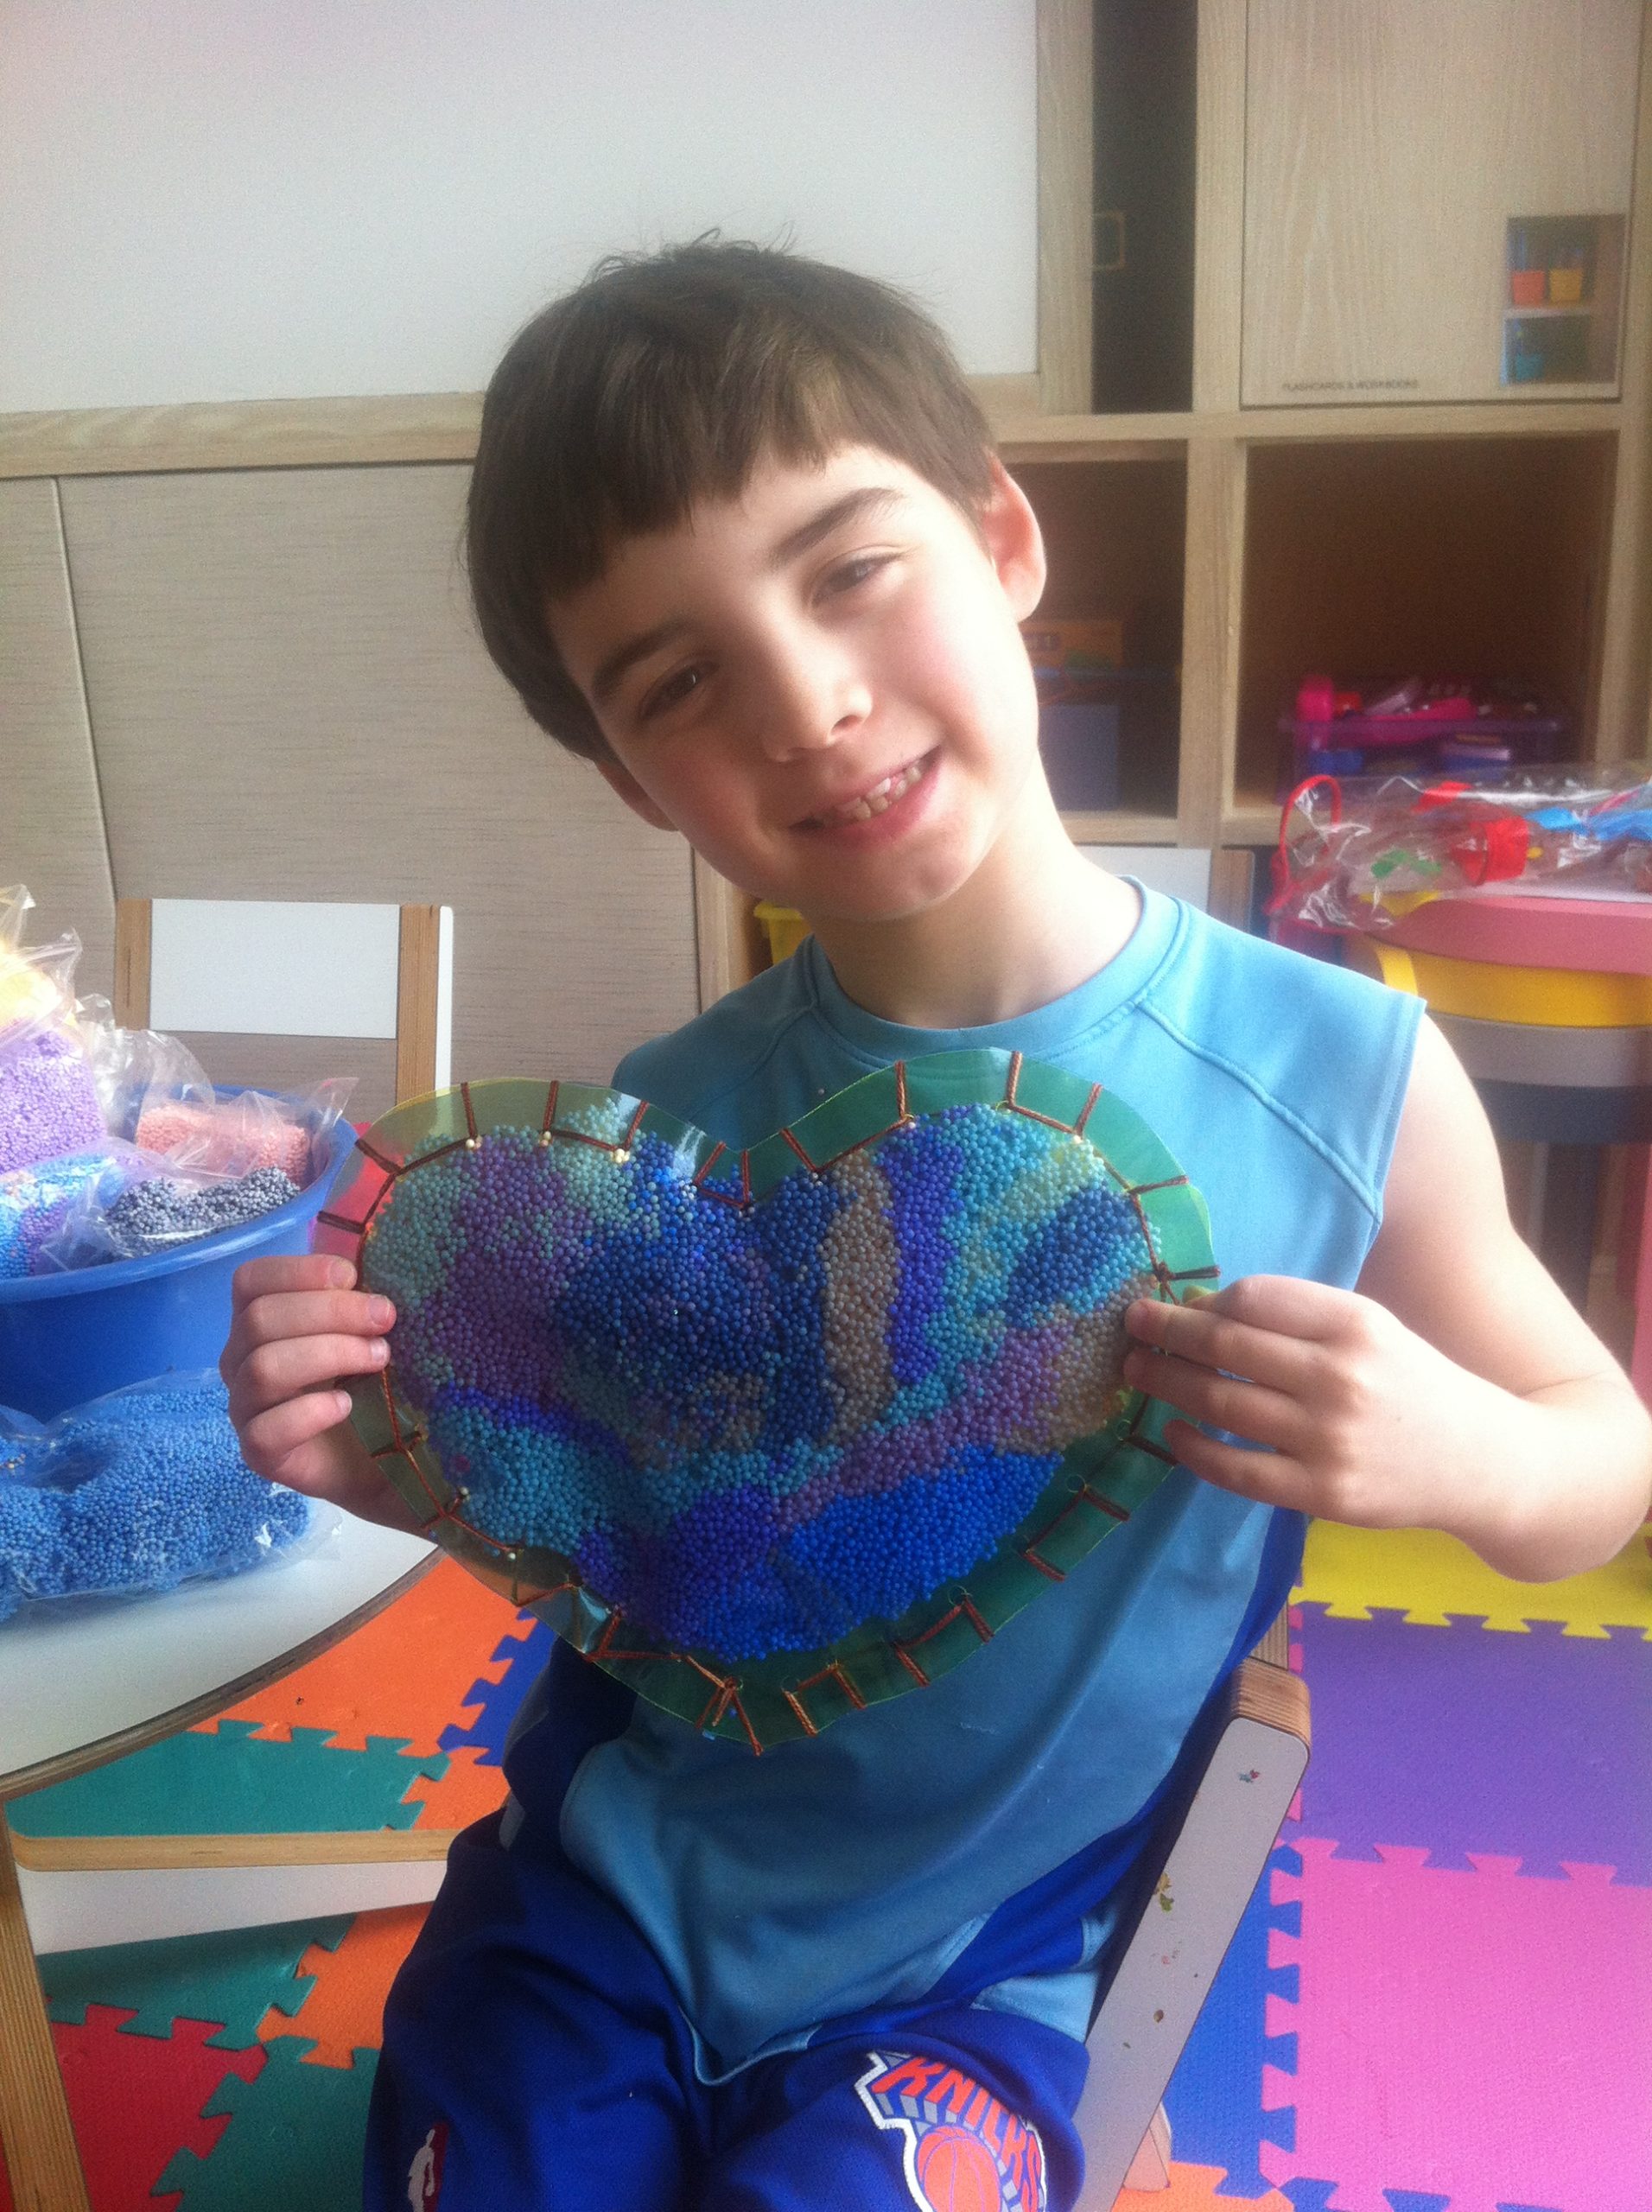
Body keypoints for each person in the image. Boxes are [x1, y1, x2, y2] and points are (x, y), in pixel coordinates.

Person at [220, 242, 1652, 2212]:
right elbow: (666, 1558)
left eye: (849, 569)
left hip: (983, 1983)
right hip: (604, 1900)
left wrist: (1464, 1450)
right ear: (627, 776)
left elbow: (1600, 1463)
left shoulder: (1341, 1077)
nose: (806, 704)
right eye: (679, 682)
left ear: (1001, 538)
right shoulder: (667, 1127)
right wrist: (419, 1473)